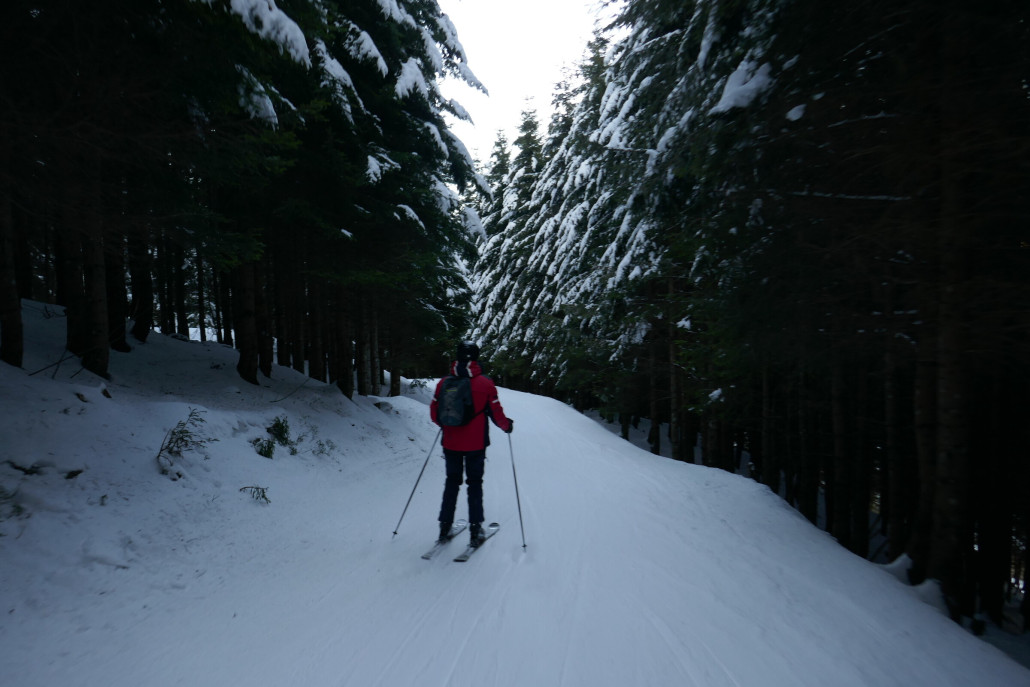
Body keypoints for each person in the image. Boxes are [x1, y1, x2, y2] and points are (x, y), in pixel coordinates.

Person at [430, 341, 513, 547]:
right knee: (474, 484)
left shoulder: (443, 383)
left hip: (450, 443)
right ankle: (475, 531)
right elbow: (496, 413)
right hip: (476, 444)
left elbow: (434, 413)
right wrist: (507, 426)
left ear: (457, 357)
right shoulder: (485, 383)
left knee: (452, 482)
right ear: (476, 357)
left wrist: (448, 425)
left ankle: (444, 527)